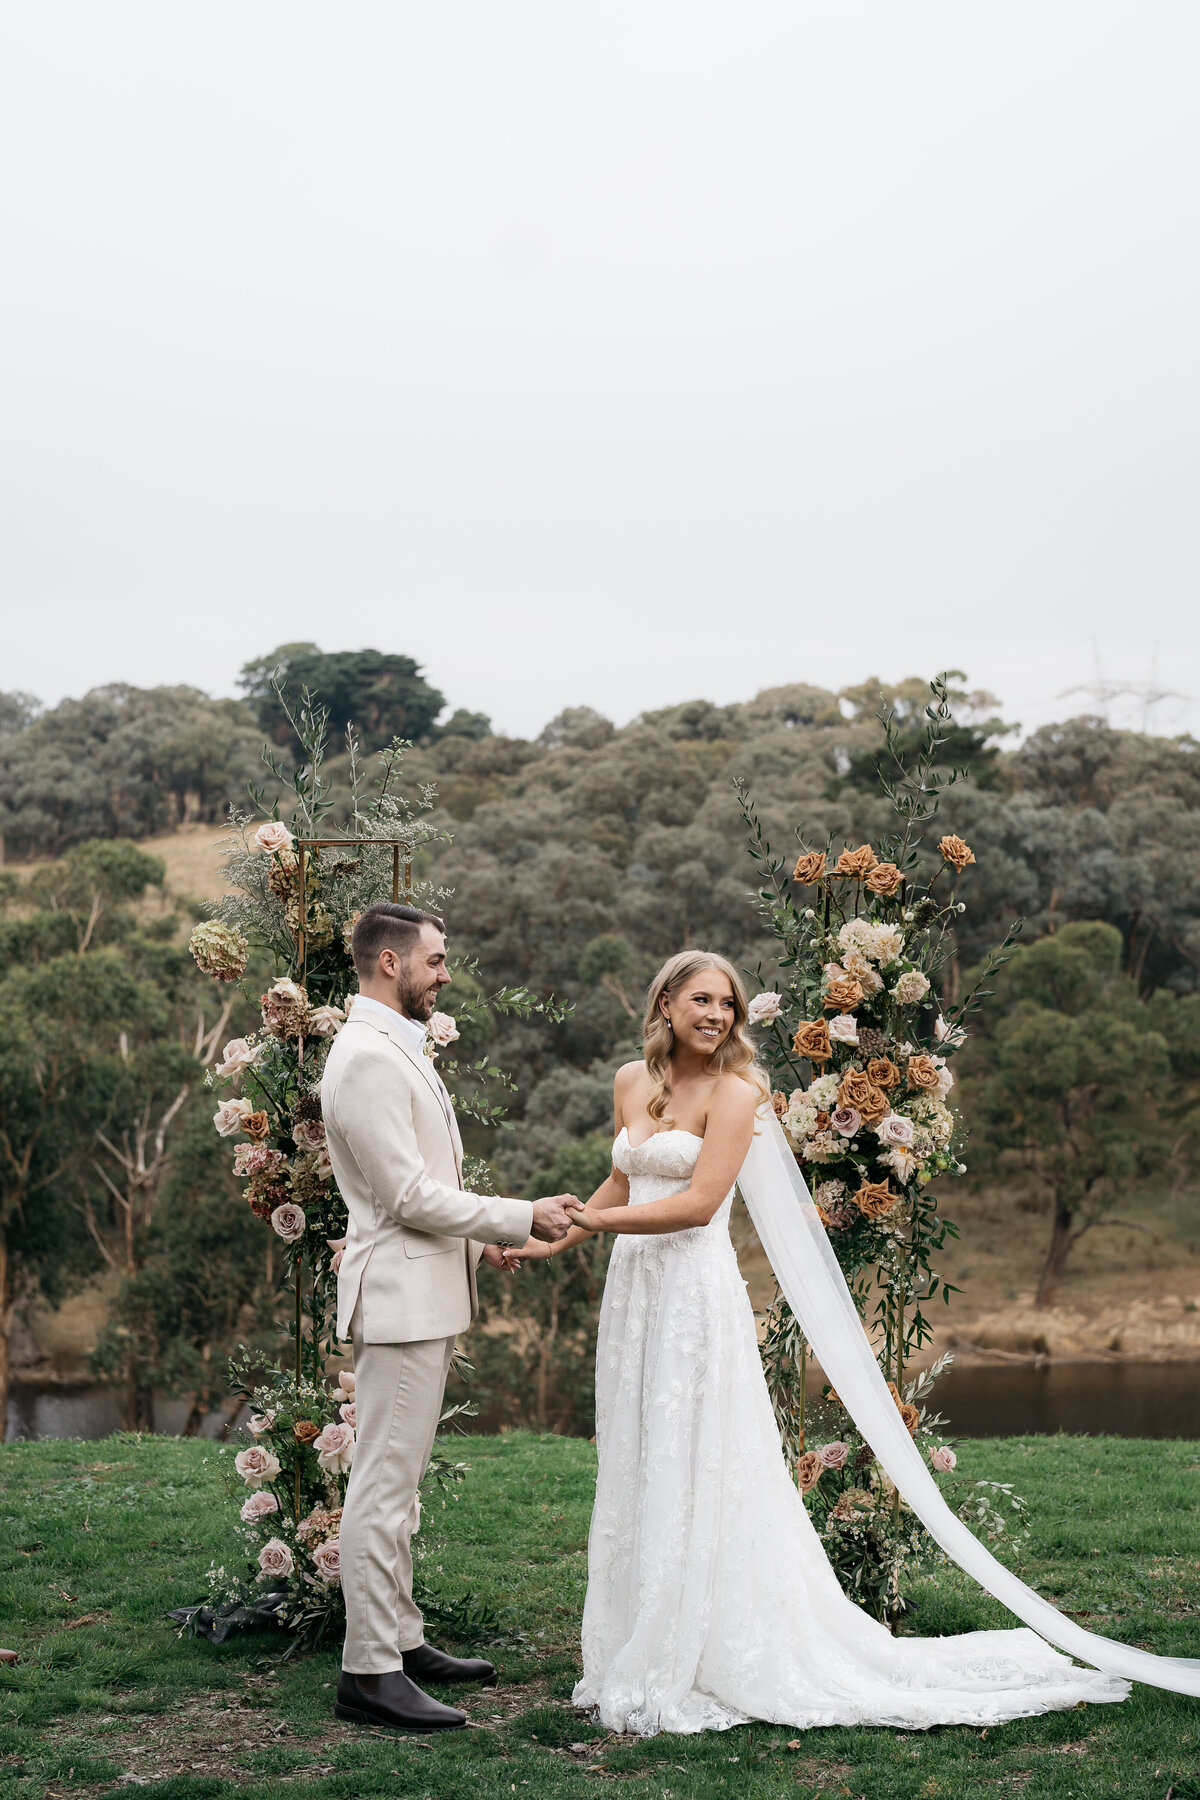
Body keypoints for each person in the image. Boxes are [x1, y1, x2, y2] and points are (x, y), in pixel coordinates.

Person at [511, 950, 1140, 1736]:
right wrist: (544, 1240)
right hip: (634, 1294)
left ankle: (706, 1639)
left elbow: (701, 1204)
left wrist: (600, 1224)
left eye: (729, 1006)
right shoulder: (629, 1082)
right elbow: (622, 1182)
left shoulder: (740, 1095)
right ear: (665, 1002)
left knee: (696, 1452)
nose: (716, 1016)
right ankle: (643, 1630)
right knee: (642, 1452)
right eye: (702, 1000)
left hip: (693, 1298)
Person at [322, 901, 577, 1733]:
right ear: (390, 963)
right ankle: (368, 1672)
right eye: (435, 959)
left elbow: (425, 1182)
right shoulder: (365, 1057)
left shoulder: (398, 1044)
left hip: (422, 1289)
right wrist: (516, 1216)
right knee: (382, 1490)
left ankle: (401, 1639)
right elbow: (403, 1195)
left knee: (401, 1487)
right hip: (396, 1302)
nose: (444, 971)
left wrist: (478, 1249)